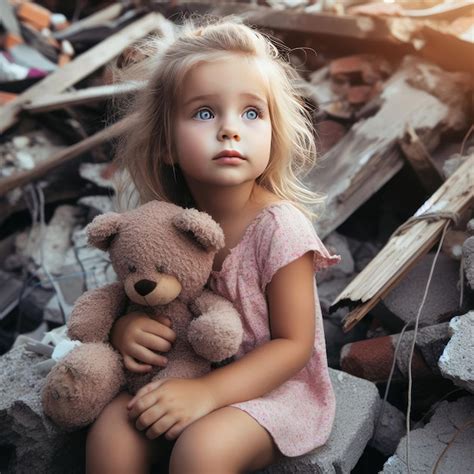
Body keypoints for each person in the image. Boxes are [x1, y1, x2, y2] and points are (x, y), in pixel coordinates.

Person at [85, 18, 340, 474]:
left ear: (274, 131)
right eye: (205, 113)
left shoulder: (279, 226)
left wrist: (208, 394)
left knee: (201, 450)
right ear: (166, 144)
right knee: (111, 431)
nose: (229, 130)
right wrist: (126, 334)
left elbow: (294, 344)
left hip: (270, 389)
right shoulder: (164, 222)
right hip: (183, 370)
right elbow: (138, 299)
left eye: (251, 113)